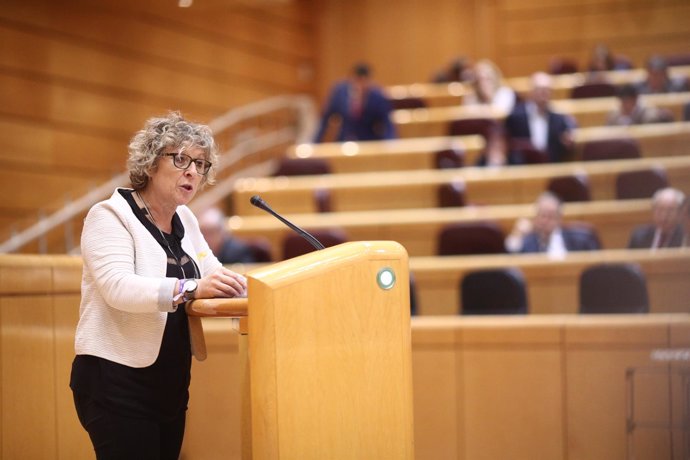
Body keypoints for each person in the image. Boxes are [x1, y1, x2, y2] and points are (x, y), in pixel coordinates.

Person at [70, 111, 248, 459]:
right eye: (180, 159)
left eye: (200, 163)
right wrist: (190, 288)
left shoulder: (185, 218)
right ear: (150, 163)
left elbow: (214, 273)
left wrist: (257, 288)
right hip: (114, 382)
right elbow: (118, 287)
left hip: (168, 384)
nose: (193, 171)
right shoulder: (109, 216)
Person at [314, 62, 397, 142]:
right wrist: (314, 143)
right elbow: (325, 119)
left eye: (365, 81)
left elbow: (387, 123)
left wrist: (391, 144)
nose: (361, 85)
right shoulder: (339, 92)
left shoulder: (378, 95)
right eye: (358, 80)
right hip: (344, 140)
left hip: (368, 141)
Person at [504, 72, 576, 163]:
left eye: (548, 90)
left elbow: (570, 130)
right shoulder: (515, 116)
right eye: (540, 90)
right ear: (531, 91)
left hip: (551, 168)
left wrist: (570, 134)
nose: (544, 94)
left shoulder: (558, 118)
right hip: (523, 169)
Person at [505, 191, 601, 256]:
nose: (545, 221)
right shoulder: (529, 241)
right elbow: (511, 257)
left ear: (559, 218)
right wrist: (517, 234)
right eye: (542, 215)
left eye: (550, 216)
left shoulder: (579, 241)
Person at [606, 84, 674, 126]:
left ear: (635, 100)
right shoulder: (613, 115)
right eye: (623, 102)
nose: (625, 105)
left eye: (628, 101)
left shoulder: (648, 113)